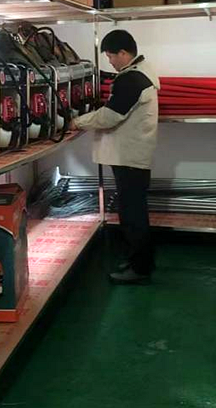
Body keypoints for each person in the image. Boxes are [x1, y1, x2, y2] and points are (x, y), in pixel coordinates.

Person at [72, 30, 160, 284]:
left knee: (132, 215)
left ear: (123, 53)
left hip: (129, 158)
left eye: (111, 56)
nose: (110, 61)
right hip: (133, 155)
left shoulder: (131, 79)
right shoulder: (142, 71)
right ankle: (138, 260)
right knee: (134, 211)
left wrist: (77, 122)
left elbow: (110, 116)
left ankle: (140, 269)